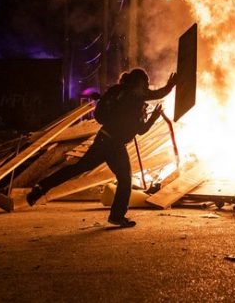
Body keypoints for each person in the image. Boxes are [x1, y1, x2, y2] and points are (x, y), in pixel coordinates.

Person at [27, 68, 176, 227]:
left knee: (79, 167)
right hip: (114, 146)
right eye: (145, 83)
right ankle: (117, 216)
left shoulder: (119, 92)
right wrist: (170, 86)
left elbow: (138, 127)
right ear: (137, 83)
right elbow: (148, 114)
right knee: (125, 180)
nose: (147, 87)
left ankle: (41, 187)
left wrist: (152, 114)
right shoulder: (134, 97)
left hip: (104, 140)